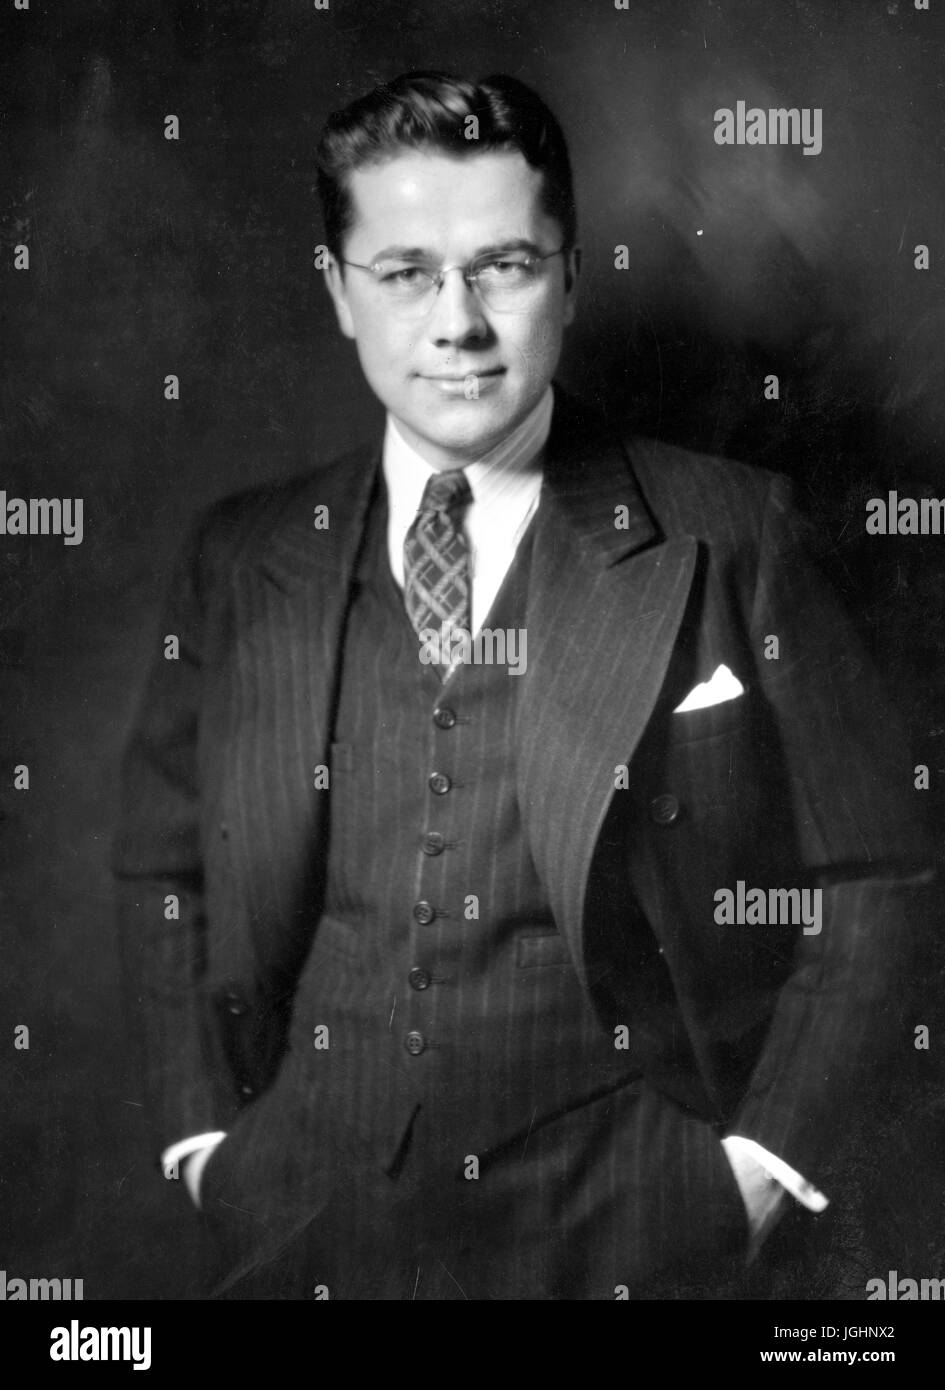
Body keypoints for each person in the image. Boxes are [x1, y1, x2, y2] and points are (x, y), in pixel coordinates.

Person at [114, 70, 930, 1300]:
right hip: (304, 1221)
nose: (458, 322)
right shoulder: (241, 555)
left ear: (572, 278)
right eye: (405, 274)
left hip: (636, 1219)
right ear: (339, 292)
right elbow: (161, 866)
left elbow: (879, 870)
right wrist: (203, 1146)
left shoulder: (732, 528)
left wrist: (757, 1168)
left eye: (503, 265)